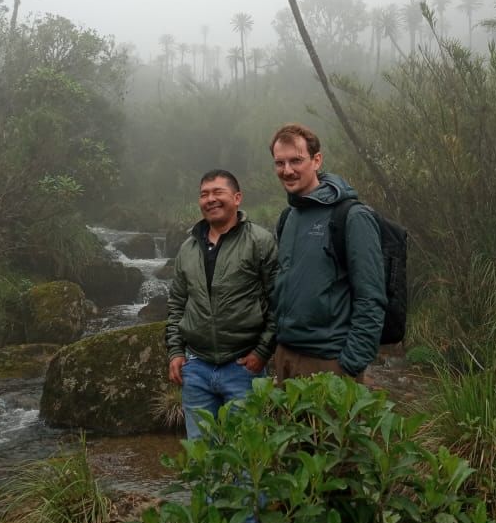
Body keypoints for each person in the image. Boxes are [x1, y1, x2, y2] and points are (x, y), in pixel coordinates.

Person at [165, 169, 278, 439]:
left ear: (237, 198)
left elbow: (278, 302)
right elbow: (177, 303)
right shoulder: (187, 248)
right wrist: (175, 352)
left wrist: (262, 351)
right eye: (204, 194)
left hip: (244, 368)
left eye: (218, 192)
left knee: (245, 457)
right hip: (196, 368)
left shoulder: (260, 241)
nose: (210, 199)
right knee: (202, 459)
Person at [270, 123, 386, 382]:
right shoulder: (288, 217)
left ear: (316, 160)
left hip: (329, 363)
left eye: (296, 161)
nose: (287, 170)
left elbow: (372, 298)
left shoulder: (351, 216)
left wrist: (350, 364)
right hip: (285, 357)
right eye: (280, 163)